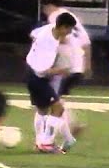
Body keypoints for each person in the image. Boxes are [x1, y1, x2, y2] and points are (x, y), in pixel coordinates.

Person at [41, 0, 91, 150]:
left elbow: (61, 39)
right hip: (78, 65)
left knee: (52, 101)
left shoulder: (55, 17)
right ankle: (70, 129)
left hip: (65, 66)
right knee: (56, 99)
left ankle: (50, 139)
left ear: (49, 6)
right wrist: (87, 65)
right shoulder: (71, 16)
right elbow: (86, 43)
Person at [26, 12, 76, 153]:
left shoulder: (48, 28)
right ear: (62, 27)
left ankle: (39, 143)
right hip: (37, 78)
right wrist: (61, 71)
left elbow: (33, 34)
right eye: (69, 29)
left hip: (29, 72)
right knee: (58, 108)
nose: (69, 33)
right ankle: (46, 144)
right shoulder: (48, 45)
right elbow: (42, 71)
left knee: (42, 110)